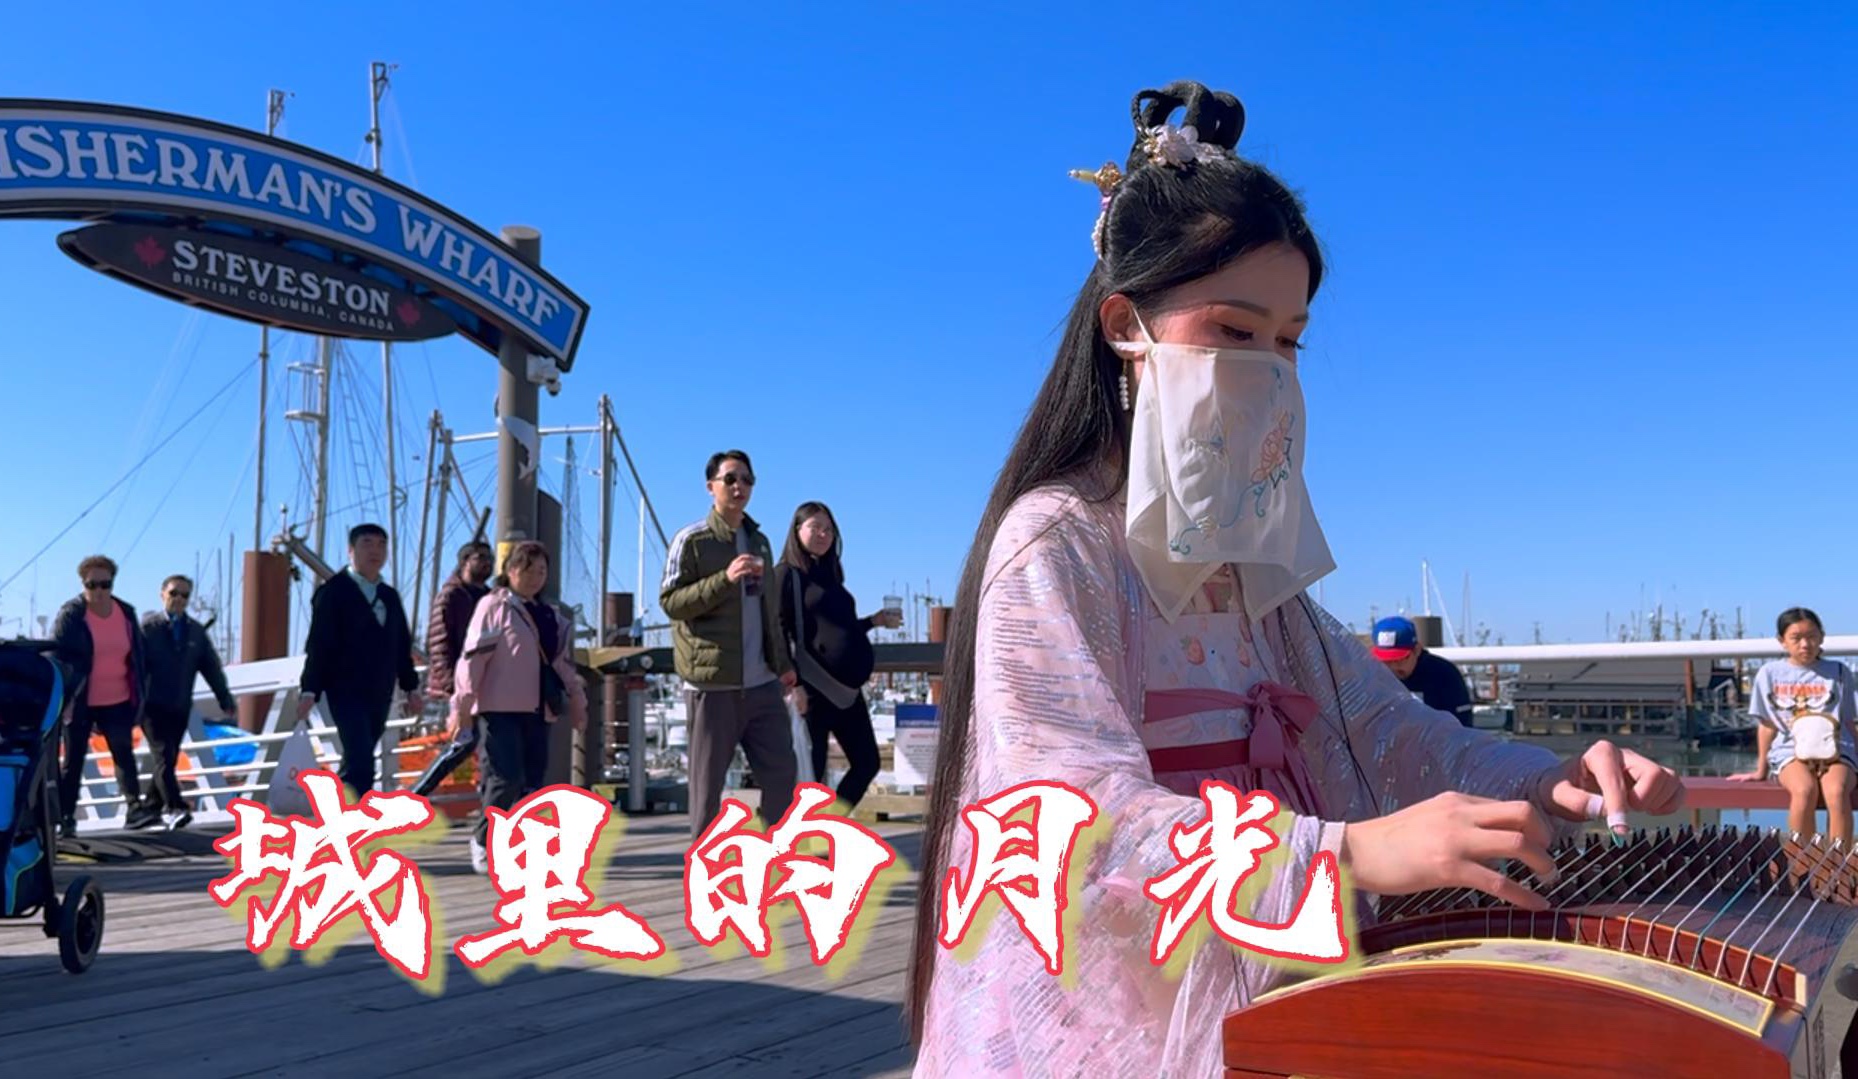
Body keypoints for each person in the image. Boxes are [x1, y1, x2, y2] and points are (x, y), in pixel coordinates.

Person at [903, 82, 1684, 1078]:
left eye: (1288, 339)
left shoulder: (1246, 553)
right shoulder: (1055, 542)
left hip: (1262, 977)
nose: (1269, 367)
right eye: (1235, 331)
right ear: (1124, 325)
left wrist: (1544, 779)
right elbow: (1070, 820)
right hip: (1115, 1007)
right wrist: (1347, 855)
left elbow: (1388, 730)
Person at [660, 449, 799, 837]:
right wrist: (724, 579)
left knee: (782, 776)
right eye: (731, 479)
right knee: (707, 789)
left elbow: (768, 612)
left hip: (762, 682)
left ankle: (776, 858)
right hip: (712, 685)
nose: (740, 487)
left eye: (747, 480)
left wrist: (783, 665)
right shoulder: (692, 540)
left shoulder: (760, 541)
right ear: (711, 487)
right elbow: (671, 602)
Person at [450, 541, 587, 872]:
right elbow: (472, 659)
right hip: (499, 708)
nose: (535, 577)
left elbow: (562, 664)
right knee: (504, 776)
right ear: (510, 571)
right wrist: (462, 705)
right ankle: (483, 840)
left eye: (541, 571)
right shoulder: (493, 606)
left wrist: (578, 700)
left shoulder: (549, 614)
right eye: (528, 569)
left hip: (539, 707)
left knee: (533, 782)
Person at [775, 502, 902, 810]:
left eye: (828, 529)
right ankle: (803, 836)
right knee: (812, 777)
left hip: (847, 693)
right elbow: (777, 629)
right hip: (813, 689)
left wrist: (873, 621)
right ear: (797, 531)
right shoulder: (786, 575)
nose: (823, 534)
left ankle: (828, 825)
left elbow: (839, 629)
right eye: (815, 527)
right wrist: (793, 683)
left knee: (867, 763)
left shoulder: (830, 577)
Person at [297, 524, 421, 796]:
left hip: (380, 689)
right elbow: (319, 644)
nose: (375, 551)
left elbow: (401, 645)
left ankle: (343, 808)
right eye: (367, 543)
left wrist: (411, 686)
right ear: (351, 550)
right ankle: (352, 815)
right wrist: (309, 689)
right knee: (360, 757)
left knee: (359, 757)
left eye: (381, 545)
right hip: (345, 689)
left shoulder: (389, 596)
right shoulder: (334, 592)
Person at [1729, 607, 1856, 844]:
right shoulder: (1769, 673)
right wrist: (1760, 770)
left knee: (1837, 792)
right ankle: (1803, 860)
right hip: (1790, 750)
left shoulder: (1839, 672)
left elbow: (1848, 721)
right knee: (1804, 791)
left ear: (1821, 637)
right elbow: (1767, 725)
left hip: (1837, 749)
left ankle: (1839, 860)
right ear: (1782, 640)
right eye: (1796, 638)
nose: (1805, 644)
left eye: (1812, 636)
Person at [52, 554, 149, 836]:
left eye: (105, 585)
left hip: (117, 698)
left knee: (123, 753)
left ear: (112, 584)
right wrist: (64, 695)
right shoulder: (72, 615)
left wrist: (142, 691)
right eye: (91, 585)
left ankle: (135, 808)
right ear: (82, 584)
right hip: (80, 700)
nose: (98, 591)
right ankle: (66, 817)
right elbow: (58, 654)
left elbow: (138, 655)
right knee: (73, 761)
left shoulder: (125, 613)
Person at [138, 574, 237, 830]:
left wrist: (224, 698)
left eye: (184, 595)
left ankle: (149, 807)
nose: (179, 599)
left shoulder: (195, 632)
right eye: (174, 593)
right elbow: (132, 667)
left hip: (179, 705)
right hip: (151, 706)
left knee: (169, 757)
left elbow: (211, 667)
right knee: (163, 753)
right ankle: (176, 807)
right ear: (162, 594)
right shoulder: (148, 629)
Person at [411, 541, 495, 797]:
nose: (487, 563)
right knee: (463, 743)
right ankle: (415, 794)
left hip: (485, 685)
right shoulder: (452, 596)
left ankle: (489, 801)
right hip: (458, 686)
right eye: (480, 558)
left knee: (485, 747)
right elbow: (439, 644)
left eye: (489, 558)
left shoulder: (490, 597)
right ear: (464, 562)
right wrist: (452, 687)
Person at [1370, 615, 1474, 727]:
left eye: (1400, 660)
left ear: (1417, 650)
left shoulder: (1444, 675)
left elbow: (1461, 726)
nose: (1393, 667)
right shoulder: (1372, 678)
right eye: (1386, 661)